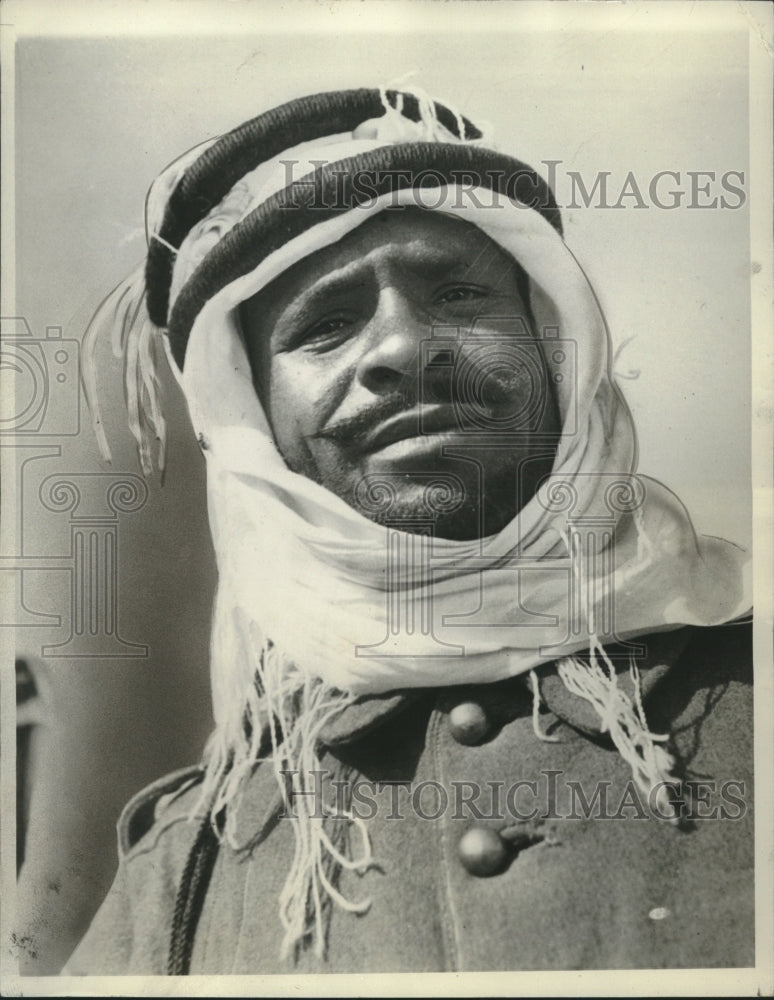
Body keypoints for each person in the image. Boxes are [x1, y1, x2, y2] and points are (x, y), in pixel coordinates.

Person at [64, 86, 753, 975]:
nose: (402, 348)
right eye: (328, 325)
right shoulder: (179, 876)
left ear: (556, 347)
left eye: (460, 293)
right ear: (252, 426)